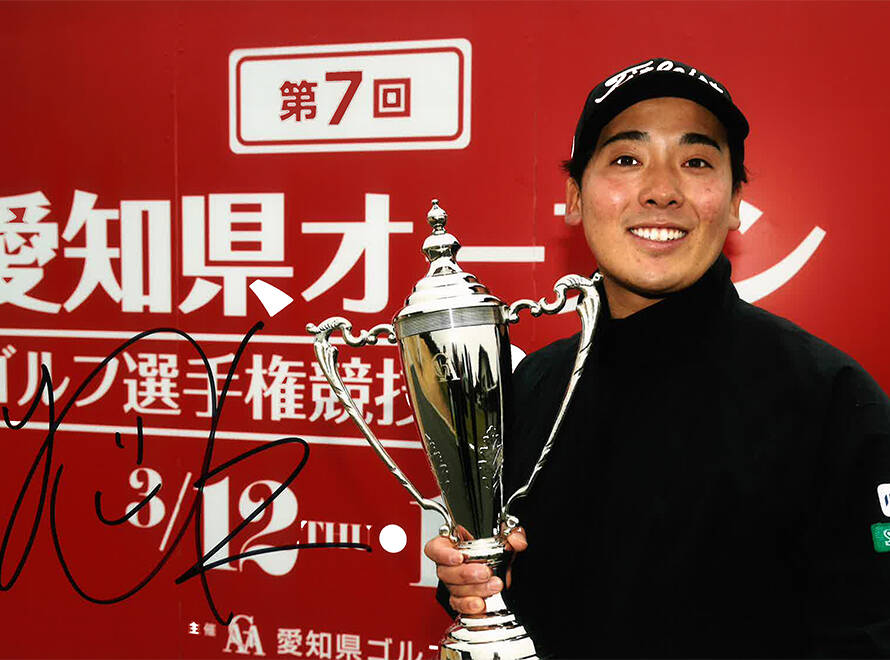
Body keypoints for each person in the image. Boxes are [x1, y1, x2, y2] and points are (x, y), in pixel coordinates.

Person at [425, 58, 890, 657]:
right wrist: (474, 581)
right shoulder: (529, 386)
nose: (662, 190)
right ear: (574, 197)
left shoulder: (832, 401)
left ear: (734, 202)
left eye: (696, 162)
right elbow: (495, 582)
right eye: (626, 159)